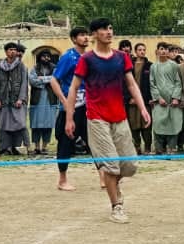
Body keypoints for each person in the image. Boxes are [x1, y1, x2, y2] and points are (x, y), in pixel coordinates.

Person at [65, 18, 151, 223]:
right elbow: (74, 88)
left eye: (111, 28)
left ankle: (112, 183)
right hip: (96, 118)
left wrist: (142, 107)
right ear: (95, 34)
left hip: (119, 117)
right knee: (111, 165)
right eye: (104, 29)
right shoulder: (87, 59)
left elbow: (131, 84)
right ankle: (117, 206)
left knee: (129, 166)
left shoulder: (122, 57)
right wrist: (69, 118)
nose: (109, 32)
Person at [50, 26, 91, 191]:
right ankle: (62, 179)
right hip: (71, 107)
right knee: (66, 143)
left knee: (95, 142)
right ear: (74, 39)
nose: (86, 38)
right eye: (82, 35)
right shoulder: (68, 57)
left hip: (88, 107)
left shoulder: (89, 57)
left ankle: (104, 176)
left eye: (87, 34)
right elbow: (54, 80)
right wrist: (64, 101)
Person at [0, 42, 29, 155]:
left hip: (17, 101)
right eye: (10, 49)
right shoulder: (0, 66)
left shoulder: (21, 66)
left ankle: (21, 147)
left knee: (20, 124)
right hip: (4, 100)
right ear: (6, 52)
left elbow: (24, 83)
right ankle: (5, 148)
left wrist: (21, 98)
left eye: (14, 49)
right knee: (4, 125)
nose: (13, 51)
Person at [149, 43, 183, 155]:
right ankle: (159, 148)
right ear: (158, 51)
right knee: (158, 123)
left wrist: (175, 98)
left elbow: (178, 82)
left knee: (173, 124)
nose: (164, 51)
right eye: (161, 49)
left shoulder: (174, 65)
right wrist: (158, 98)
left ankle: (172, 148)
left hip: (172, 102)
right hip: (160, 102)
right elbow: (152, 84)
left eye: (166, 49)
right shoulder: (154, 66)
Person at [28, 50, 60, 154]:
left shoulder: (55, 68)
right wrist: (47, 81)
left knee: (48, 124)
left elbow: (56, 79)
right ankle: (37, 147)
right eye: (44, 56)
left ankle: (45, 147)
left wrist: (42, 79)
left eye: (48, 56)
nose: (46, 58)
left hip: (50, 100)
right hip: (37, 100)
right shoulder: (34, 68)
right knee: (36, 125)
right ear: (40, 57)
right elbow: (32, 81)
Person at [128, 43, 153, 154]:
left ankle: (147, 147)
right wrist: (129, 98)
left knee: (146, 124)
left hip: (145, 101)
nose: (142, 51)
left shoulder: (150, 66)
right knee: (134, 124)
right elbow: (126, 83)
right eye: (140, 49)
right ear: (135, 51)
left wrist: (150, 98)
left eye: (144, 49)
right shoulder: (129, 65)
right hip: (132, 101)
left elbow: (152, 84)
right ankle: (137, 146)